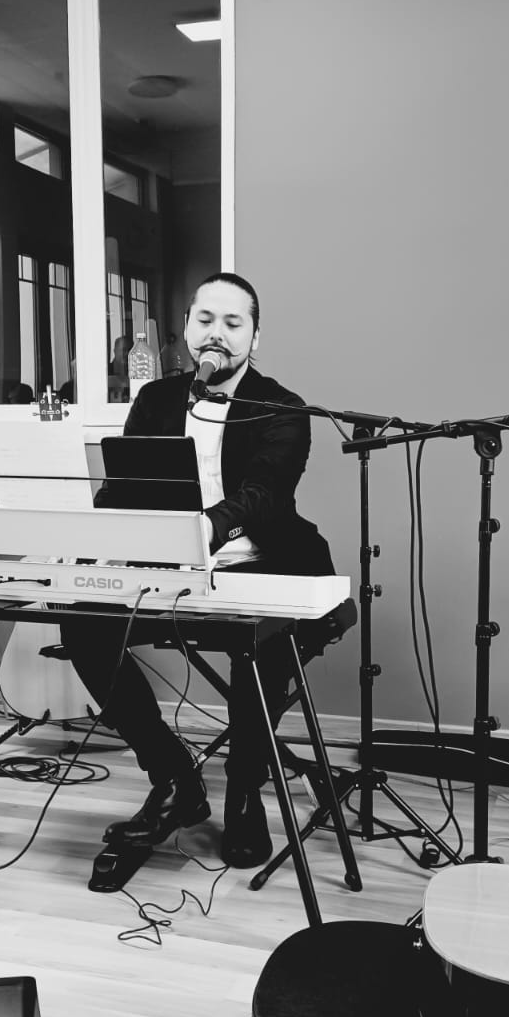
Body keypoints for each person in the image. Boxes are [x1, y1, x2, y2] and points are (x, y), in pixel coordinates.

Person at [62, 272, 336, 868]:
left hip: (264, 563)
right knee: (82, 625)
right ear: (186, 328)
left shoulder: (284, 408)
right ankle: (174, 778)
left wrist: (204, 529)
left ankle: (244, 791)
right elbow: (124, 487)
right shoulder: (154, 400)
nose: (217, 333)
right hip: (169, 567)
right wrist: (87, 539)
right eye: (205, 319)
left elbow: (263, 497)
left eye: (233, 323)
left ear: (254, 338)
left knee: (258, 648)